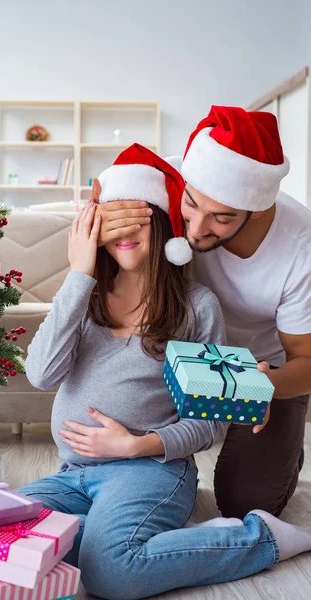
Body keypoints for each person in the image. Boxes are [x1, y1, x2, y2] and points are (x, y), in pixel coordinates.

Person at [18, 145, 311, 600]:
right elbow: (41, 374)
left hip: (149, 470)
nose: (125, 231)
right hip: (73, 474)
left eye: (140, 216)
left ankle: (263, 538)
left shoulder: (195, 307)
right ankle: (109, 533)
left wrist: (137, 445)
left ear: (163, 224)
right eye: (114, 219)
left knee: (110, 573)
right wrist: (78, 272)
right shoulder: (85, 295)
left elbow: (207, 421)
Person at [93, 106, 311, 519]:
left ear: (259, 209)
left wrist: (267, 385)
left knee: (246, 505)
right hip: (177, 353)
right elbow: (104, 211)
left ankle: (284, 451)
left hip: (260, 371)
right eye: (191, 205)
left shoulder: (301, 248)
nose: (194, 229)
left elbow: (307, 360)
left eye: (222, 218)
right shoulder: (165, 184)